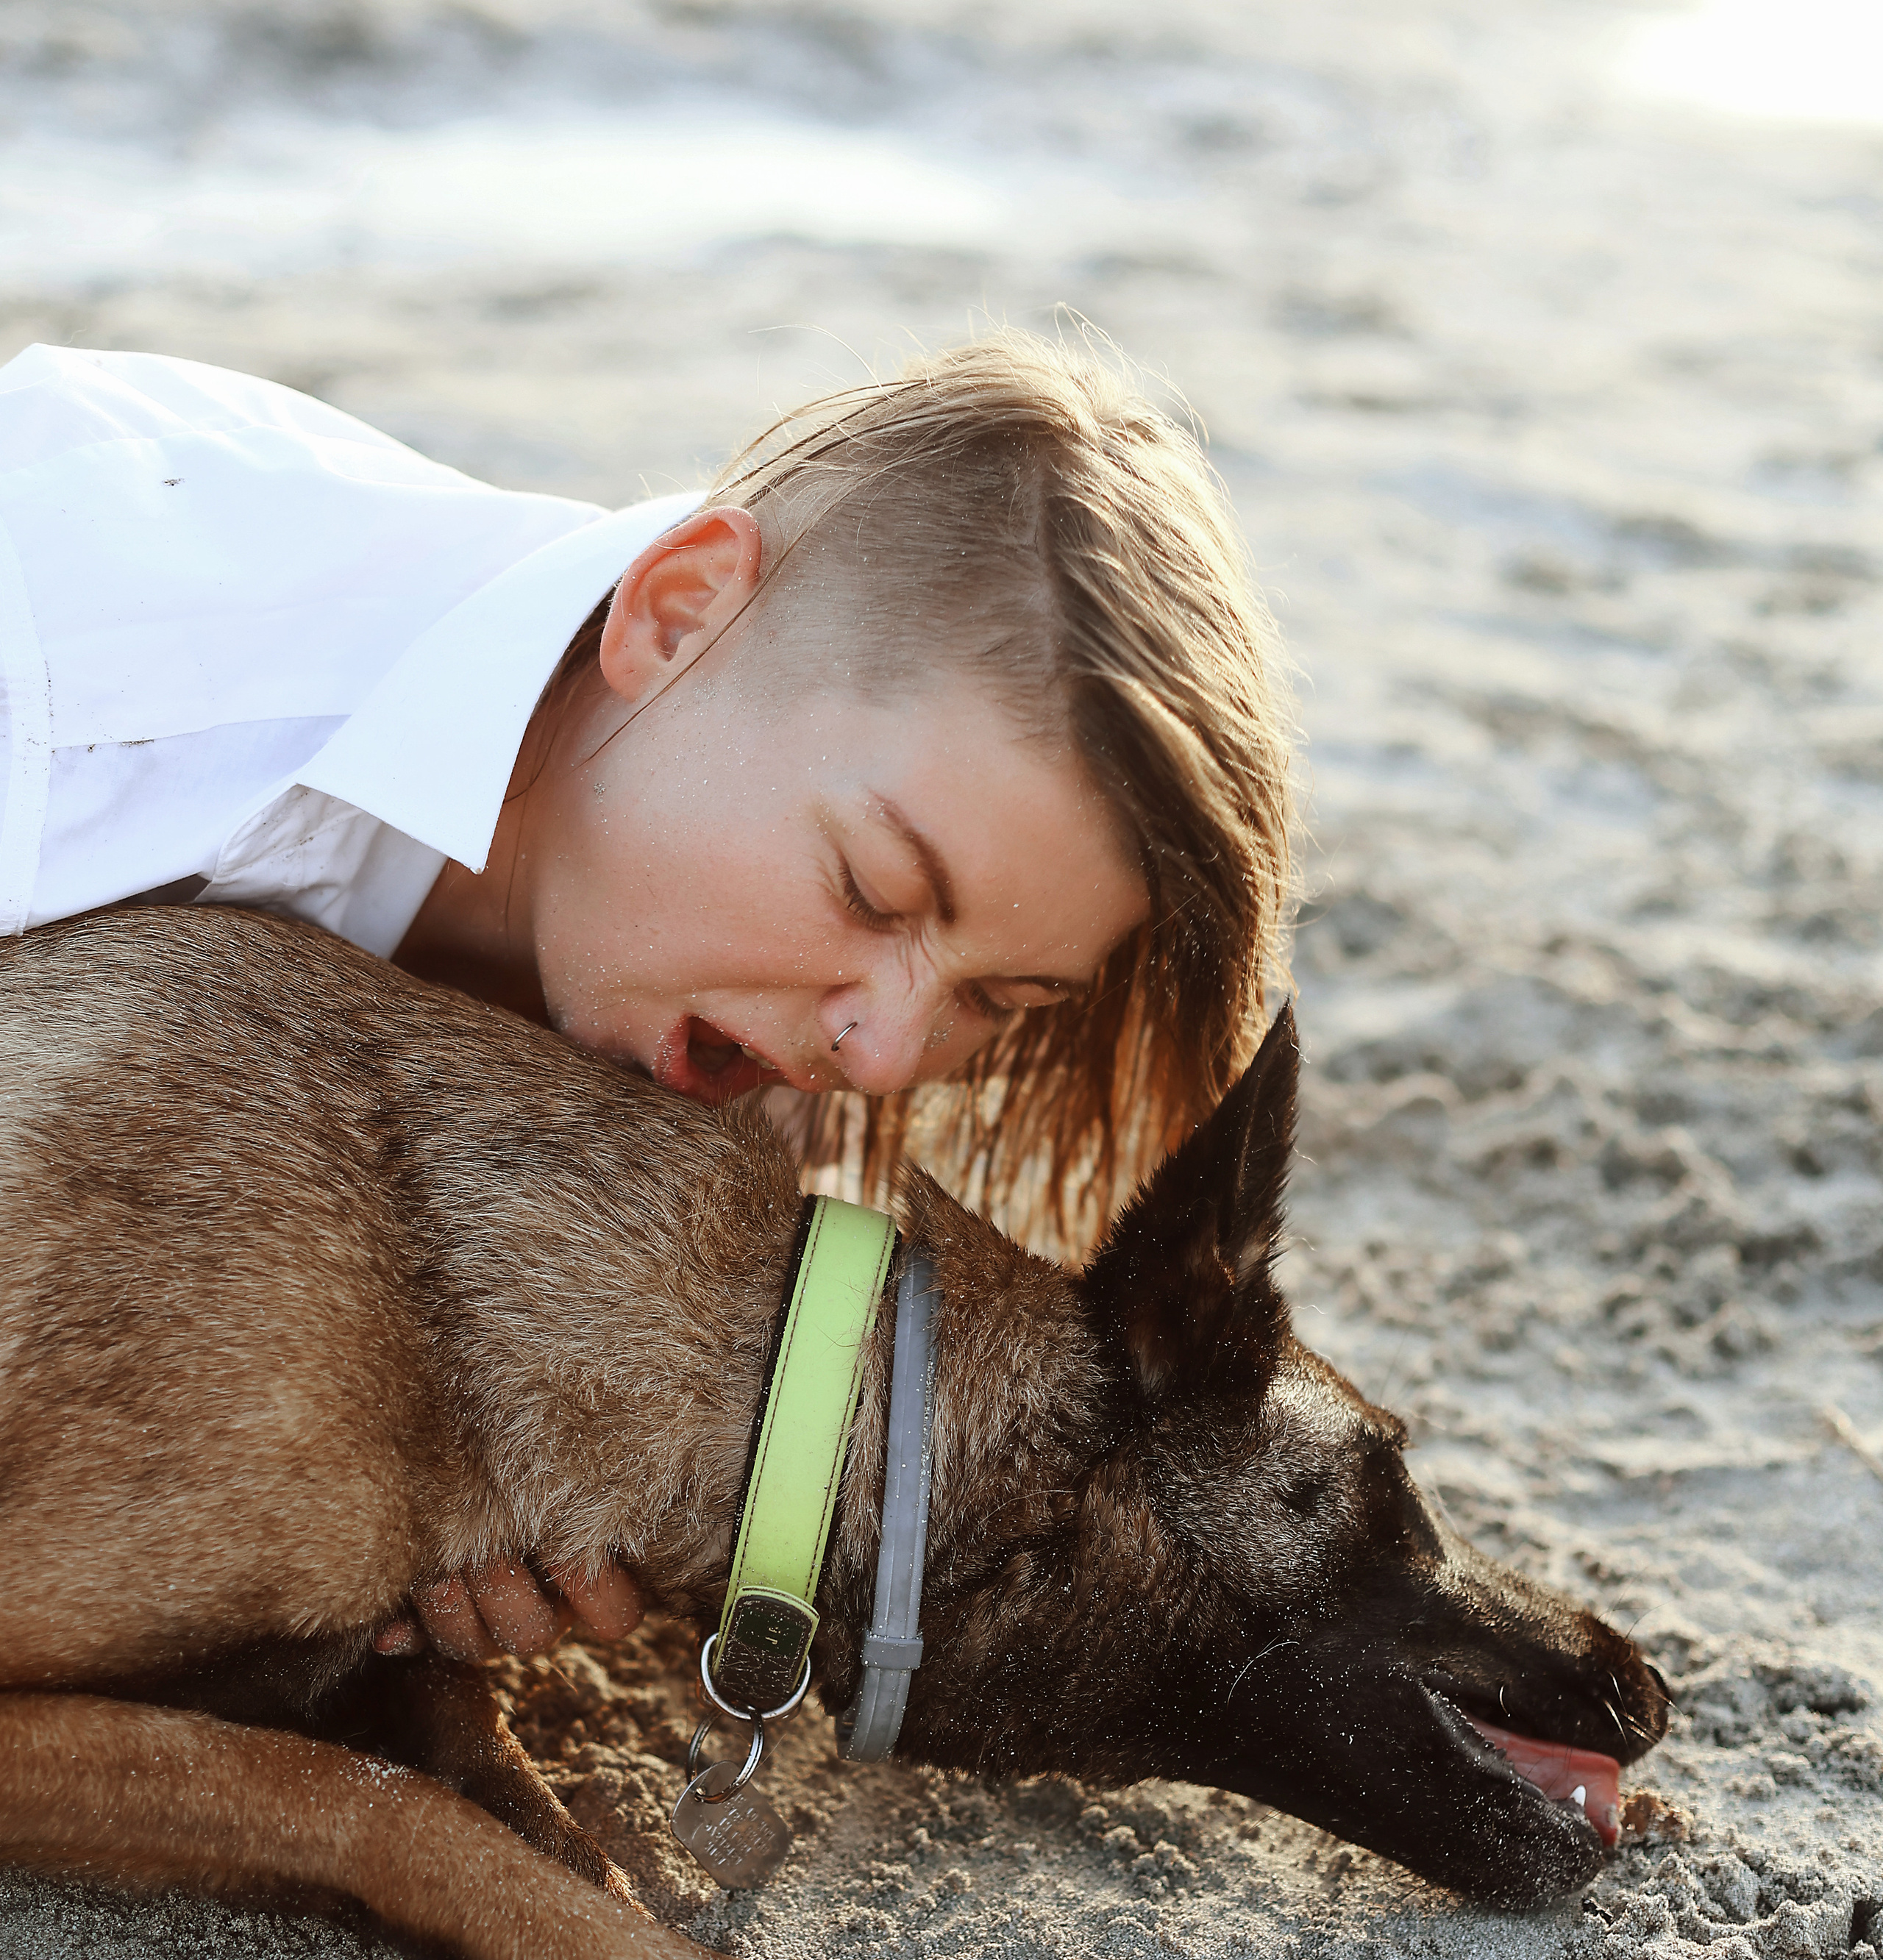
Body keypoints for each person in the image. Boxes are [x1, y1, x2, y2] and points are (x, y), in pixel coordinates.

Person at [0, 329, 1295, 1664]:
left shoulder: (688, 951)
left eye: (1004, 998)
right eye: (872, 889)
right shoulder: (80, 715)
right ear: (674, 613)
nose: (885, 1048)